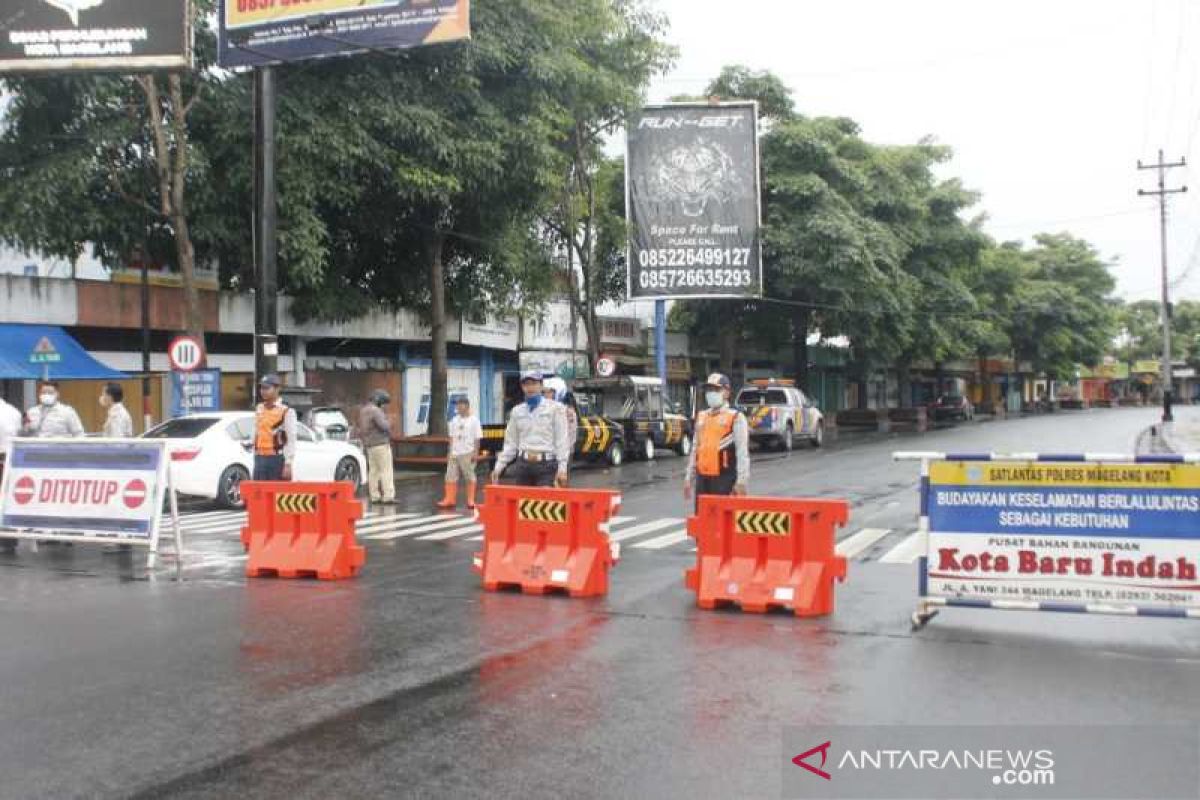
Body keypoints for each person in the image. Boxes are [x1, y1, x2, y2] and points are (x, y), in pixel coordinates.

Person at [492, 370, 572, 488]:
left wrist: (562, 468)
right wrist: (498, 466)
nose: (530, 388)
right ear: (522, 387)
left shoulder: (556, 409)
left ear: (541, 385)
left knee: (544, 503)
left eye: (534, 384)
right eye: (526, 384)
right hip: (523, 465)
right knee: (523, 504)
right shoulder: (517, 411)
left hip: (547, 466)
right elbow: (511, 442)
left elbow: (562, 441)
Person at [684, 373, 750, 508]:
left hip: (724, 479)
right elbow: (695, 448)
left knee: (723, 522)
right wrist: (688, 477)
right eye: (709, 390)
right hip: (703, 478)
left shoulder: (735, 417)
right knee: (703, 521)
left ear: (726, 392)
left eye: (716, 390)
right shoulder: (702, 416)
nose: (711, 393)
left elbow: (742, 452)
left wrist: (741, 481)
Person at [439, 396, 483, 509]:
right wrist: (449, 451)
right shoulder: (454, 420)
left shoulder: (474, 420)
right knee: (450, 476)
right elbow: (451, 437)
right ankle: (449, 499)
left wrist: (476, 453)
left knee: (469, 476)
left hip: (468, 452)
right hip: (455, 452)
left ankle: (470, 500)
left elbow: (477, 438)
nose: (458, 407)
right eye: (457, 404)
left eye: (460, 404)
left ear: (467, 406)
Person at [253, 374, 296, 481]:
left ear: (277, 389)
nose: (263, 391)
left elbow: (291, 439)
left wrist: (288, 464)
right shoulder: (259, 408)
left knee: (276, 495)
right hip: (259, 458)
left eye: (267, 388)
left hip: (276, 459)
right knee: (259, 494)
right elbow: (257, 431)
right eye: (262, 388)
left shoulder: (286, 410)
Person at [359, 389, 395, 504]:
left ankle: (374, 496)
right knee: (386, 471)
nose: (383, 405)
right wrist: (390, 422)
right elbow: (384, 426)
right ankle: (388, 496)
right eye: (383, 402)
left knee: (373, 471)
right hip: (381, 444)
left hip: (370, 445)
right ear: (378, 400)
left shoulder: (363, 411)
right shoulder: (376, 411)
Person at [0, 395, 21, 552]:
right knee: (7, 500)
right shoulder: (13, 411)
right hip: (10, 458)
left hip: (3, 456)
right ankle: (9, 540)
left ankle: (6, 539)